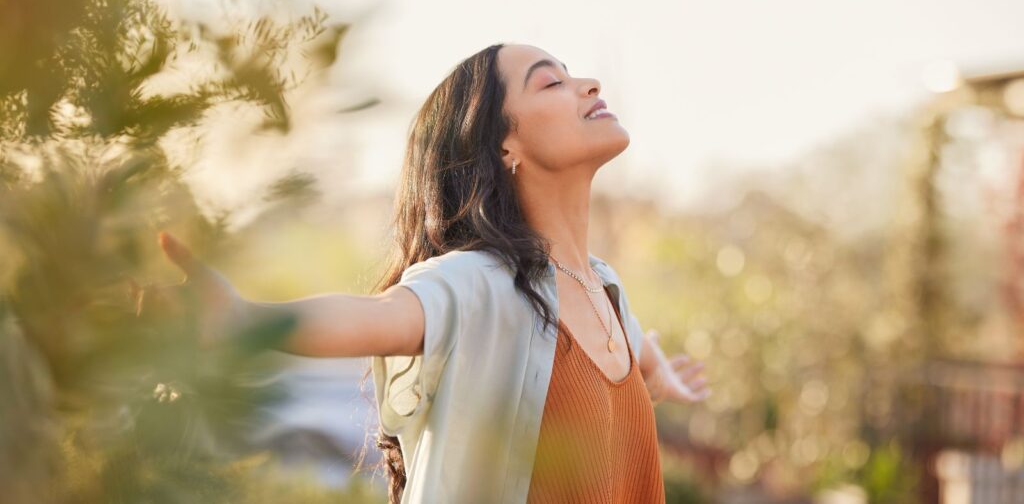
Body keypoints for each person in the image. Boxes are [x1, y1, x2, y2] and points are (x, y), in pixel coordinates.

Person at [142, 43, 710, 503]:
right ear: (504, 144)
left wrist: (657, 376)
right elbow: (381, 315)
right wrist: (245, 320)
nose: (589, 84)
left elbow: (632, 347)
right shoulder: (481, 284)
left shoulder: (606, 290)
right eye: (551, 82)